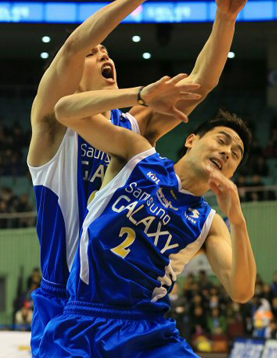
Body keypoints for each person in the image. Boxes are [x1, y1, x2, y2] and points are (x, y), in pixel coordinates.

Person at [27, 0, 262, 356]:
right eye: (97, 54)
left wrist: (225, 18)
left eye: (109, 53)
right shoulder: (52, 127)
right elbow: (70, 53)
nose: (106, 55)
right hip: (66, 298)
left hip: (132, 313)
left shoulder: (133, 131)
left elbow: (199, 84)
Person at [38, 106, 257, 357]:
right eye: (222, 140)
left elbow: (241, 291)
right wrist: (139, 95)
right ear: (191, 140)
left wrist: (238, 221)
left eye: (235, 154)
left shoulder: (209, 223)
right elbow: (67, 112)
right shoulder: (137, 156)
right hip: (83, 319)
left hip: (147, 333)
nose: (227, 152)